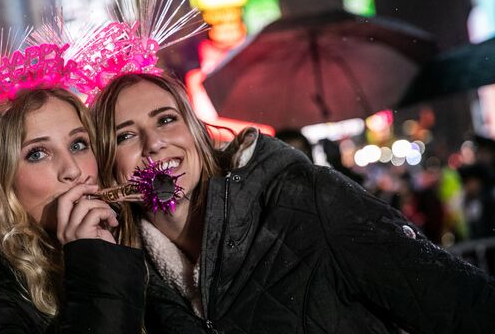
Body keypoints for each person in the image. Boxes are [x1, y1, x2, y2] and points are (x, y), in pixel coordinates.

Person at [93, 72, 495, 334]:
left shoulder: (305, 198)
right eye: (126, 136)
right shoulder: (134, 284)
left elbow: (464, 308)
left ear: (198, 134)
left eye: (166, 119)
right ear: (110, 167)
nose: (154, 143)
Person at [0, 51, 146, 332]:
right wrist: (96, 273)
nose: (71, 169)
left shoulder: (117, 239)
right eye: (37, 153)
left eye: (78, 144)